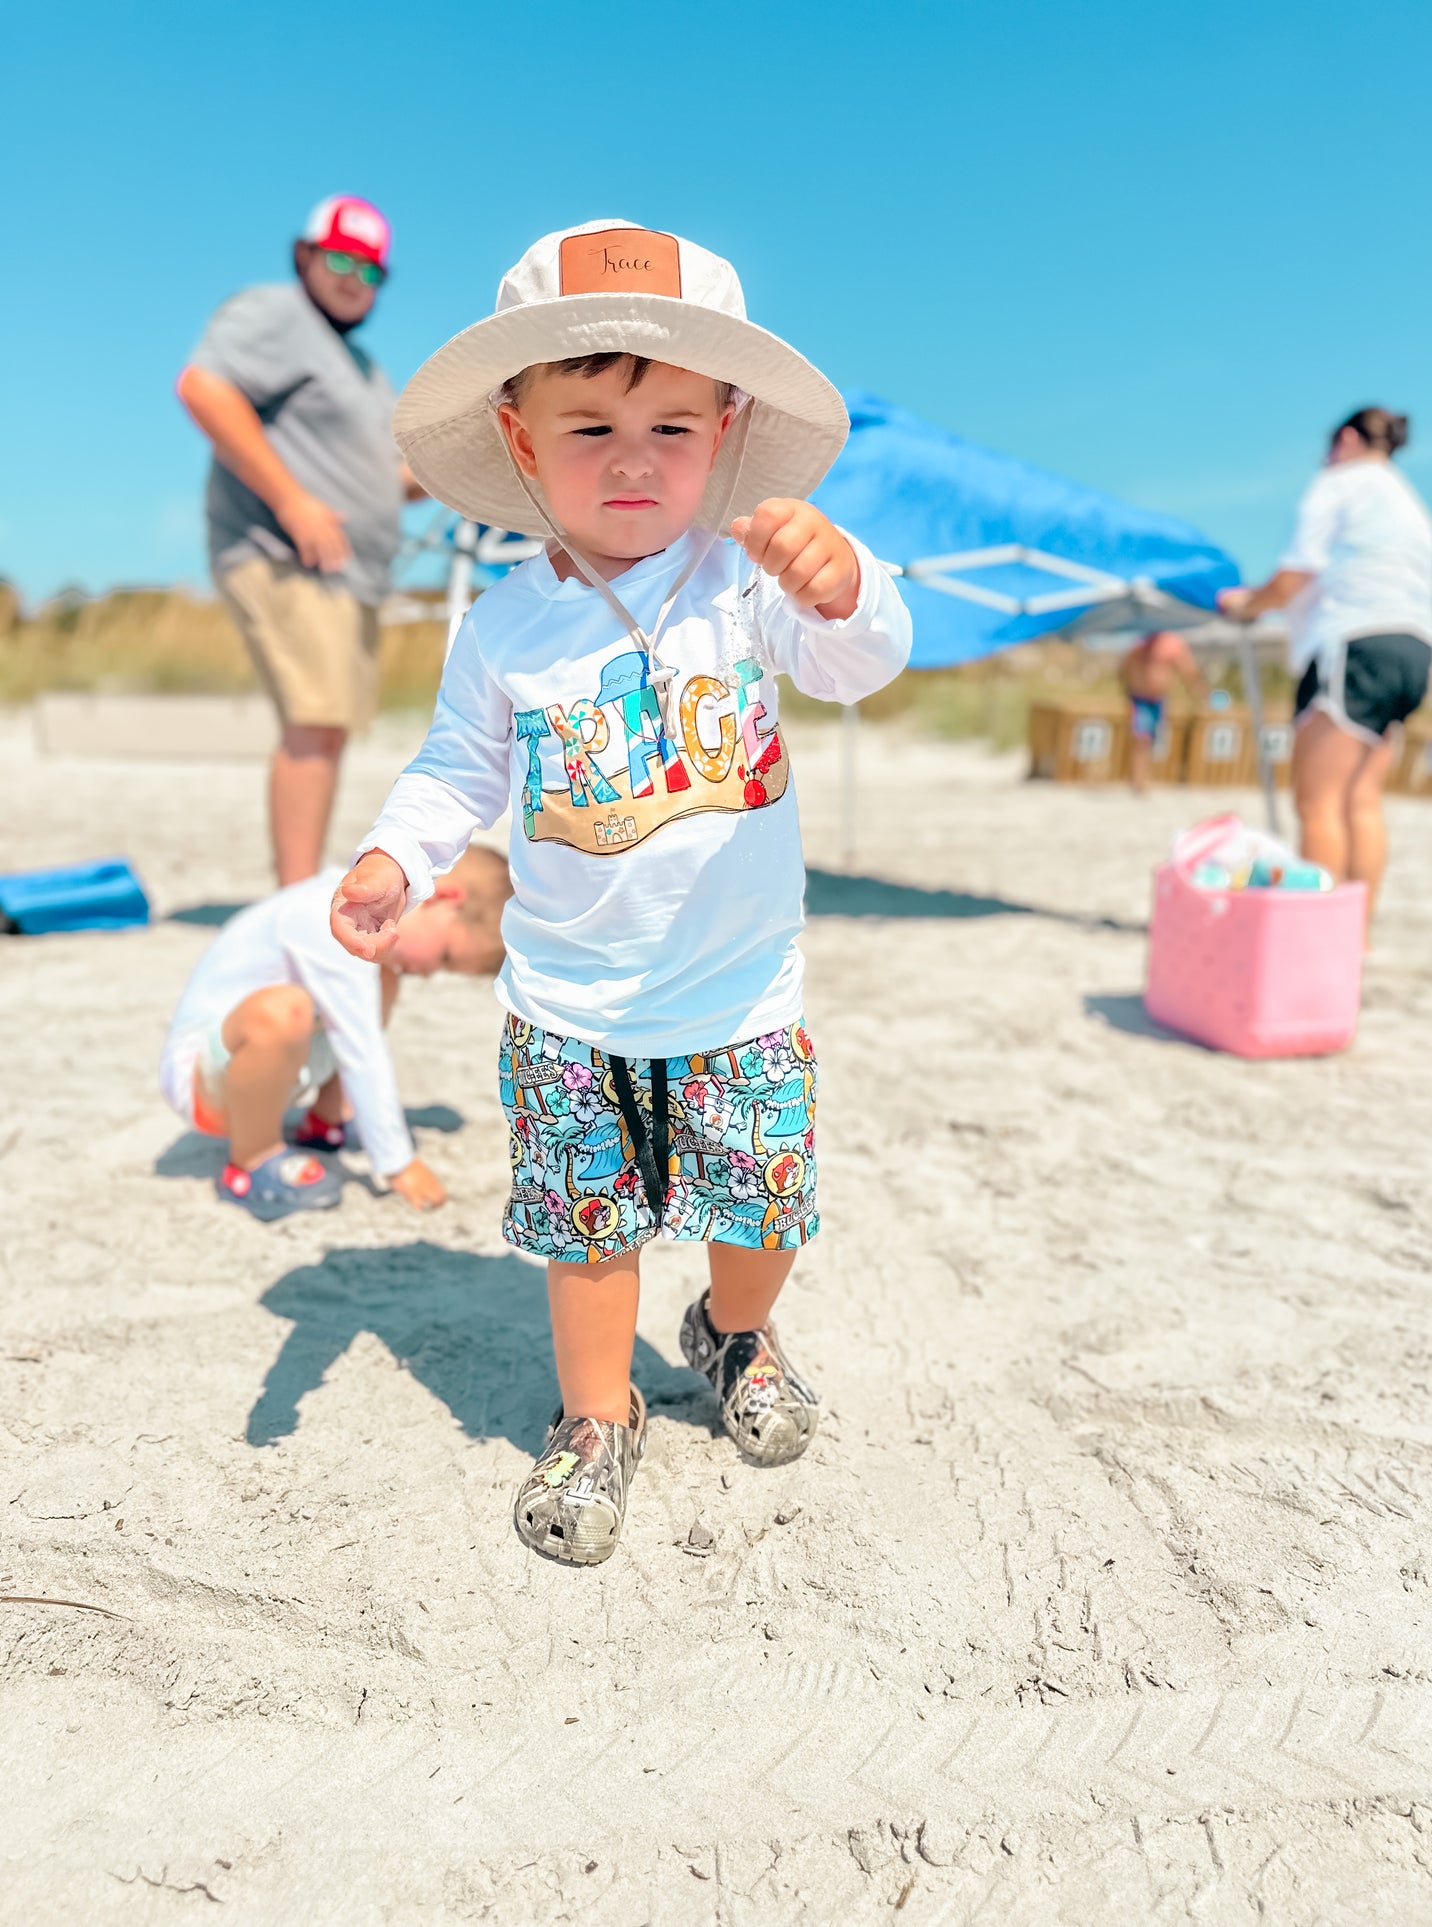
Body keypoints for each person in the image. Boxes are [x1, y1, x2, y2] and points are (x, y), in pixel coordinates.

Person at [330, 219, 911, 1566]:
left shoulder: (744, 582)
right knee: (587, 1233)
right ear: (520, 442)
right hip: (571, 1000)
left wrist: (845, 585)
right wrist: (395, 856)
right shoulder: (504, 624)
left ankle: (732, 1329)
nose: (633, 457)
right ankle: (598, 1416)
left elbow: (858, 661)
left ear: (728, 425)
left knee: (760, 1206)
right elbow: (453, 768)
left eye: (669, 424)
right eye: (587, 427)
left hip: (738, 989)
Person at [176, 196, 426, 887]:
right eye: (341, 260)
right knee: (314, 722)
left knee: (331, 726)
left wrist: (455, 467)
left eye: (371, 270)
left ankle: (302, 884)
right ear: (305, 257)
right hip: (284, 554)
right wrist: (292, 501)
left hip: (349, 573)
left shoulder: (364, 367)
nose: (354, 279)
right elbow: (203, 388)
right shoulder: (276, 314)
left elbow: (386, 480)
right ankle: (293, 899)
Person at [161, 847, 509, 1221]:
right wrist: (396, 1163)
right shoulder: (334, 918)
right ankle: (251, 1160)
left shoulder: (363, 924)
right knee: (287, 1010)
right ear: (445, 898)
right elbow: (360, 1047)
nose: (428, 973)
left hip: (260, 1070)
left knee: (380, 979)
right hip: (204, 1082)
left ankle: (326, 1120)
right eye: (444, 957)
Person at [1219, 407, 1432, 921]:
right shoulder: (1411, 504)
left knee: (1317, 803)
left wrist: (1246, 604)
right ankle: (1353, 941)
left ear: (1345, 438)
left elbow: (1296, 575)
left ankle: (1317, 936)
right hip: (1412, 650)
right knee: (1361, 800)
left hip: (1353, 643)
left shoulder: (1338, 485)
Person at [1119, 629, 1208, 794]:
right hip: (1140, 698)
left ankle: (1142, 780)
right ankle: (1139, 783)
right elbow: (1125, 668)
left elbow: (1188, 671)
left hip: (1158, 699)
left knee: (1152, 740)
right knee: (1142, 739)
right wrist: (1127, 689)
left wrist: (1200, 694)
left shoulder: (1171, 644)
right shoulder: (1141, 644)